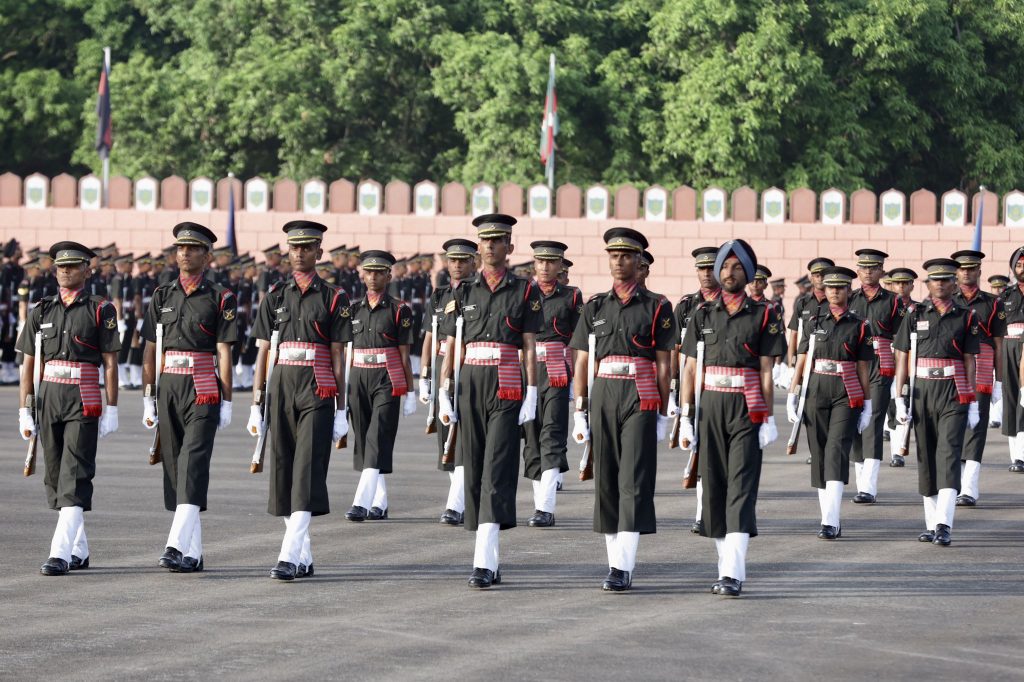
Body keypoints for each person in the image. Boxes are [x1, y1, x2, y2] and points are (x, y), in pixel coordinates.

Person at [436, 213, 543, 588]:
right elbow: (453, 345)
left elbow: (529, 345)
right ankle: (488, 557)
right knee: (474, 465)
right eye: (485, 240)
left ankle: (484, 559)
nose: (491, 246)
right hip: (470, 382)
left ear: (509, 248)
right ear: (478, 246)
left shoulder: (525, 291)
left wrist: (531, 391)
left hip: (506, 382)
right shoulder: (462, 292)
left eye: (499, 240)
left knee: (497, 465)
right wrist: (444, 389)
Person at [680, 239, 785, 597]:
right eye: (724, 266)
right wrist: (686, 415)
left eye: (738, 267)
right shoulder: (701, 315)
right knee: (715, 484)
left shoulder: (764, 315)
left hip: (746, 405)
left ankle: (733, 572)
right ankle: (724, 563)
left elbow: (768, 371)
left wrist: (769, 418)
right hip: (710, 404)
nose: (729, 272)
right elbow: (691, 369)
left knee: (741, 486)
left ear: (749, 273)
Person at [570, 228, 673, 591]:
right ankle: (614, 560)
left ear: (638, 260)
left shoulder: (658, 305)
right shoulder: (595, 306)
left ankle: (623, 566)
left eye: (626, 256)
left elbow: (663, 364)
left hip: (641, 393)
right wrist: (580, 408)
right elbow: (582, 360)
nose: (619, 261)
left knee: (633, 477)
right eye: (613, 255)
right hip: (604, 392)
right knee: (607, 478)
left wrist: (664, 411)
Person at [248, 220, 351, 580]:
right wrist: (255, 403)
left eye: (307, 247)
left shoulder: (335, 298)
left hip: (318, 386)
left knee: (307, 468)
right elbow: (263, 352)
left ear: (319, 253)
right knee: (286, 468)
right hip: (281, 386)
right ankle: (303, 555)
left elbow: (338, 355)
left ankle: (290, 554)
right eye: (294, 248)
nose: (300, 253)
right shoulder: (274, 296)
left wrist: (342, 409)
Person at [17, 242, 120, 575]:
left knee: (75, 473)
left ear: (87, 271)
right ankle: (80, 549)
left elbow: (110, 362)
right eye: (61, 267)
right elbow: (29, 363)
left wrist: (113, 406)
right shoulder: (41, 310)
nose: (65, 271)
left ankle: (59, 553)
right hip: (48, 396)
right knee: (55, 474)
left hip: (83, 395)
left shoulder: (100, 309)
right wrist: (24, 408)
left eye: (73, 266)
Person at [141, 223, 237, 574]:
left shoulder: (220, 297)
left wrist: (227, 399)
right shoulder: (162, 295)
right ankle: (193, 554)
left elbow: (224, 352)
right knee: (175, 467)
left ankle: (175, 544)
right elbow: (150, 351)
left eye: (193, 248)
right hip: (168, 384)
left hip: (202, 385)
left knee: (193, 460)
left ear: (206, 256)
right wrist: (148, 396)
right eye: (180, 247)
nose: (184, 253)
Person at [893, 258, 979, 546]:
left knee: (948, 453)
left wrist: (973, 401)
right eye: (934, 279)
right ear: (927, 284)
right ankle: (931, 523)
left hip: (953, 390)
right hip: (921, 390)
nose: (940, 283)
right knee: (926, 456)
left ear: (954, 283)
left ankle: (944, 523)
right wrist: (899, 395)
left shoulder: (966, 316)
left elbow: (969, 360)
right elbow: (903, 356)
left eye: (945, 279)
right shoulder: (914, 313)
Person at [786, 266, 872, 539]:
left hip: (846, 393)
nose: (835, 291)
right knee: (820, 452)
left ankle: (831, 520)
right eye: (831, 286)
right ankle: (826, 515)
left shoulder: (859, 326)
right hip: (815, 390)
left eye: (841, 287)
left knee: (836, 450)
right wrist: (793, 392)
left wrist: (867, 403)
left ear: (849, 291)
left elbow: (862, 368)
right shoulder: (813, 322)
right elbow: (802, 360)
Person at [343, 250, 417, 522]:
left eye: (379, 272)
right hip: (359, 377)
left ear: (389, 275)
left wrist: (409, 392)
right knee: (364, 440)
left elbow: (404, 354)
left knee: (376, 437)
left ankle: (361, 502)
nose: (373, 277)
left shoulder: (400, 309)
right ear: (362, 275)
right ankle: (380, 500)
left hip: (388, 378)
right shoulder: (352, 310)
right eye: (369, 272)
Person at [522, 240, 581, 528]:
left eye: (551, 262)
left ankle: (546, 506)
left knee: (552, 432)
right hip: (527, 370)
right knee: (531, 436)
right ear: (534, 264)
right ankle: (539, 503)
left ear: (560, 266)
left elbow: (580, 341)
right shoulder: (522, 293)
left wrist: (578, 382)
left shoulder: (571, 296)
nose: (545, 267)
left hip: (557, 369)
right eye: (540, 261)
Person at [420, 239, 477, 524]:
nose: (457, 265)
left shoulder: (477, 293)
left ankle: (455, 504)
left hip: (469, 365)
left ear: (472, 263)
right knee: (447, 437)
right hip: (445, 361)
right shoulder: (439, 295)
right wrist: (426, 374)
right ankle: (463, 492)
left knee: (463, 432)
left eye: (463, 260)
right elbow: (431, 335)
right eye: (453, 260)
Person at [672, 246, 722, 534]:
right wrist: (674, 392)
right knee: (699, 453)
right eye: (700, 268)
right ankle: (703, 512)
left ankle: (714, 510)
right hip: (693, 386)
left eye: (710, 268)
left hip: (721, 385)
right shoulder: (687, 305)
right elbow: (677, 352)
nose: (705, 273)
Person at [951, 250, 1006, 506]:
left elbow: (998, 343)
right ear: (956, 272)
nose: (966, 272)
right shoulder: (947, 300)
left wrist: (999, 380)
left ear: (979, 272)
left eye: (971, 269)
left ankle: (969, 488)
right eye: (962, 269)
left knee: (977, 427)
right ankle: (954, 483)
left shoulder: (993, 303)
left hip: (981, 367)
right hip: (953, 368)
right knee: (954, 426)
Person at [849, 249, 902, 502]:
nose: (868, 271)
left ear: (882, 271)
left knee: (874, 418)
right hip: (853, 366)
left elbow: (902, 339)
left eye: (874, 267)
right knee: (854, 418)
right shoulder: (849, 299)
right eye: (864, 267)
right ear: (858, 270)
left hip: (880, 364)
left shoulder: (893, 301)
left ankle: (868, 486)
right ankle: (861, 481)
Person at [883, 267, 919, 467]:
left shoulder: (919, 309)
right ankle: (896, 450)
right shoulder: (886, 306)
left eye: (906, 283)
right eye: (898, 283)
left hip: (909, 363)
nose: (901, 287)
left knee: (906, 404)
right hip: (889, 361)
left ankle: (900, 450)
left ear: (912, 286)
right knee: (891, 406)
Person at [997, 248, 1024, 473]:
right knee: (1012, 398)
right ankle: (1017, 456)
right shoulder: (1005, 295)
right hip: (1010, 346)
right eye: (1019, 265)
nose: (1022, 269)